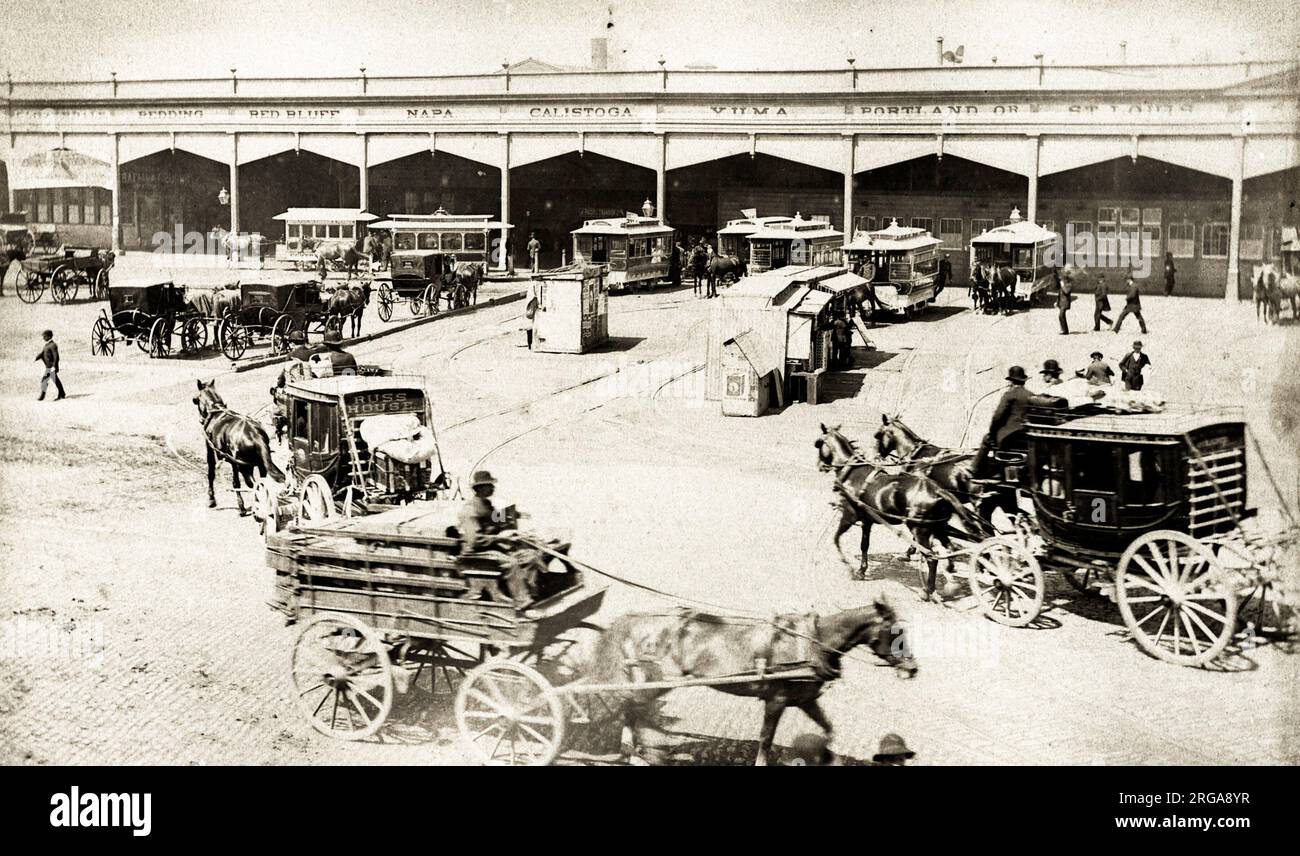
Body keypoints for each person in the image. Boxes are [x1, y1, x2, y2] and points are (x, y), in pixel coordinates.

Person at [972, 366, 1061, 480]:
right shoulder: (1031, 394)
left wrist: (992, 432)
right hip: (1026, 436)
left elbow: (997, 417)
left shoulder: (1009, 395)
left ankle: (974, 470)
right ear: (1023, 381)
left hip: (1010, 436)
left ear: (1011, 381)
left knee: (986, 439)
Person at [458, 470, 504, 554]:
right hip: (478, 552)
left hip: (491, 546)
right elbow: (474, 539)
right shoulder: (470, 508)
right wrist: (498, 538)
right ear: (479, 488)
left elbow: (498, 522)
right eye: (489, 485)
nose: (493, 487)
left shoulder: (487, 504)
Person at [35, 329, 64, 401]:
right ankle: (62, 393)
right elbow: (42, 353)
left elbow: (56, 357)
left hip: (51, 367)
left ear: (48, 336)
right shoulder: (47, 345)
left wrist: (55, 366)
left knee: (45, 381)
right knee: (54, 381)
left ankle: (42, 396)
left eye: (44, 336)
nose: (43, 338)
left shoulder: (53, 345)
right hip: (49, 367)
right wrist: (37, 357)